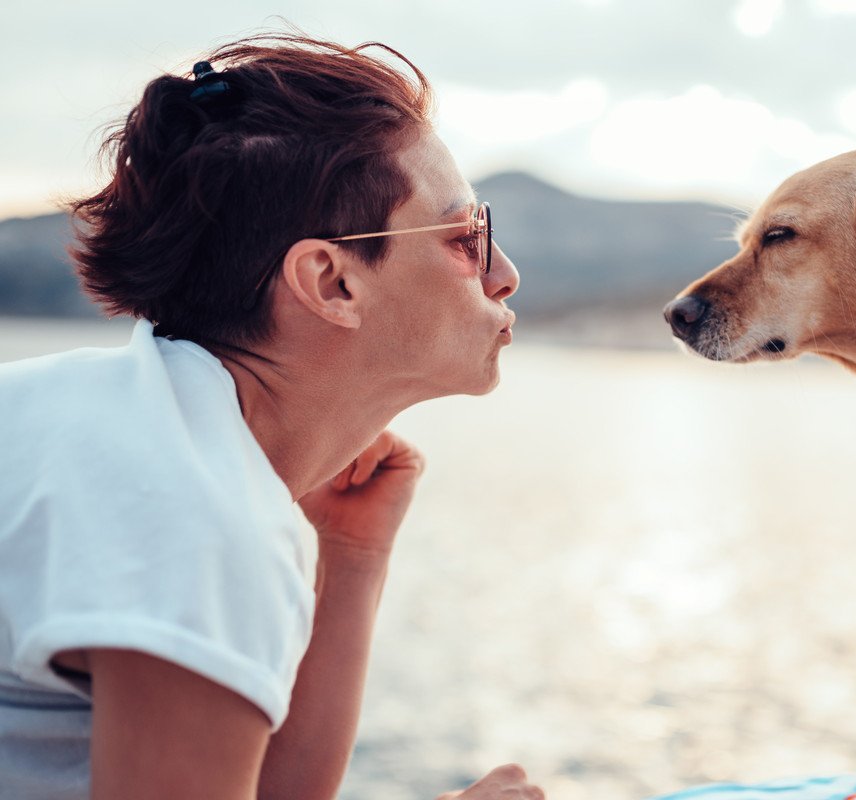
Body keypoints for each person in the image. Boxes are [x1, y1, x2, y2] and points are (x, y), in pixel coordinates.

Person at [0, 34, 543, 800]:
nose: (504, 274)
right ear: (331, 281)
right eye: (464, 238)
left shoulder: (121, 422)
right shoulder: (194, 512)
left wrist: (351, 554)